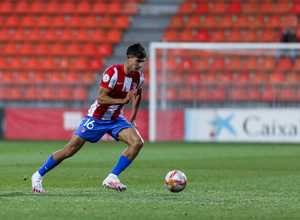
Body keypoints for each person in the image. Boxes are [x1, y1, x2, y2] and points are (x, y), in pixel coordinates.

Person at [31, 42, 146, 193]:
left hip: (116, 119)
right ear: (128, 58)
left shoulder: (139, 78)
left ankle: (112, 177)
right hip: (96, 118)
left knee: (137, 142)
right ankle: (38, 175)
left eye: (142, 62)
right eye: (138, 61)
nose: (140, 65)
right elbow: (101, 98)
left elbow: (138, 94)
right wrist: (122, 101)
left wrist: (132, 118)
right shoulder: (113, 73)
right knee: (70, 150)